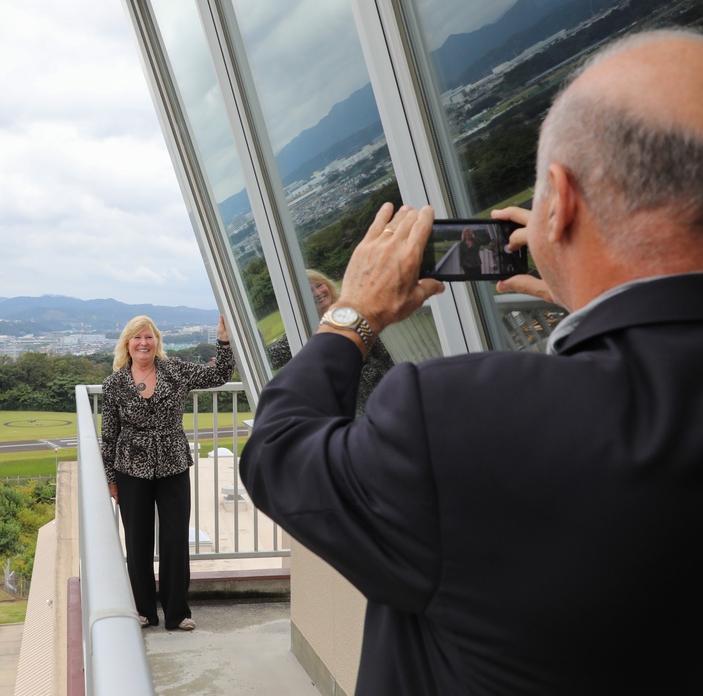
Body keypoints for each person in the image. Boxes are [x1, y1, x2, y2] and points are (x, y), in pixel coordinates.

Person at [240, 29, 703, 695]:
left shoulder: (458, 420)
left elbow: (278, 455)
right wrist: (588, 294)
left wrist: (353, 313)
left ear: (562, 199)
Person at [101, 314, 234, 631]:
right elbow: (108, 435)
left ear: (157, 341)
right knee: (138, 541)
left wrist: (224, 339)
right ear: (127, 345)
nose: (143, 343)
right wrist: (110, 479)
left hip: (173, 464)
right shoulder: (115, 384)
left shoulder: (176, 371)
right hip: (131, 469)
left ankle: (177, 613)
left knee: (175, 539)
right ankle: (145, 610)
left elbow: (220, 374)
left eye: (148, 337)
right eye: (137, 338)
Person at [268, 269, 395, 417]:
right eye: (309, 290)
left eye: (319, 285)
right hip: (344, 410)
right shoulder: (303, 330)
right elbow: (271, 358)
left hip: (380, 394)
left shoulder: (353, 314)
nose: (317, 293)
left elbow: (384, 356)